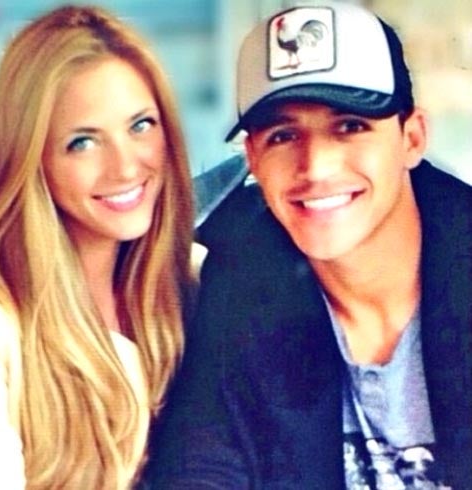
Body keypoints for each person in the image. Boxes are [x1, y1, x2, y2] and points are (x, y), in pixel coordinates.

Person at [147, 1, 472, 488]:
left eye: (350, 126)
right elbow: (202, 463)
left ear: (412, 138)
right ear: (252, 158)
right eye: (283, 135)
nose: (316, 166)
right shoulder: (241, 281)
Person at [0, 5, 194, 489]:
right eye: (83, 142)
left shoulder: (198, 281)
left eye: (141, 125)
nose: (126, 167)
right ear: (31, 158)